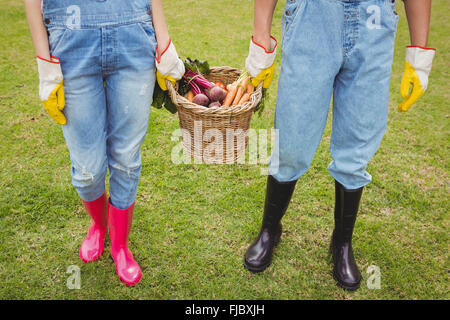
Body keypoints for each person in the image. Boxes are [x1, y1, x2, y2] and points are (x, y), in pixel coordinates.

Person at [244, 0, 435, 291]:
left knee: (357, 146)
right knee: (292, 140)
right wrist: (260, 39)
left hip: (374, 21)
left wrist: (419, 54)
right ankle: (270, 229)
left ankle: (342, 242)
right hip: (313, 16)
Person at [24, 0, 184, 286]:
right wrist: (43, 61)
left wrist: (163, 39)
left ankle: (120, 245)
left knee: (125, 157)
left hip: (133, 30)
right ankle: (99, 225)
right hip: (70, 39)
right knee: (88, 170)